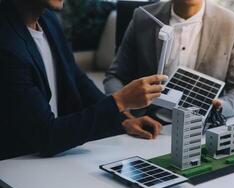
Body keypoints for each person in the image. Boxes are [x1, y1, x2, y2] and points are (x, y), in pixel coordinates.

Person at [0, 0, 168, 160]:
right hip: (19, 165)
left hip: (56, 156)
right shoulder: (7, 46)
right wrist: (120, 101)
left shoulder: (48, 20)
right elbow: (46, 136)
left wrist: (124, 120)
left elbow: (77, 79)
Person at [104, 0, 234, 123]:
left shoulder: (232, 25)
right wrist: (125, 114)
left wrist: (220, 107)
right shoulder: (143, 17)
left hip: (201, 127)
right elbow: (115, 76)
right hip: (146, 123)